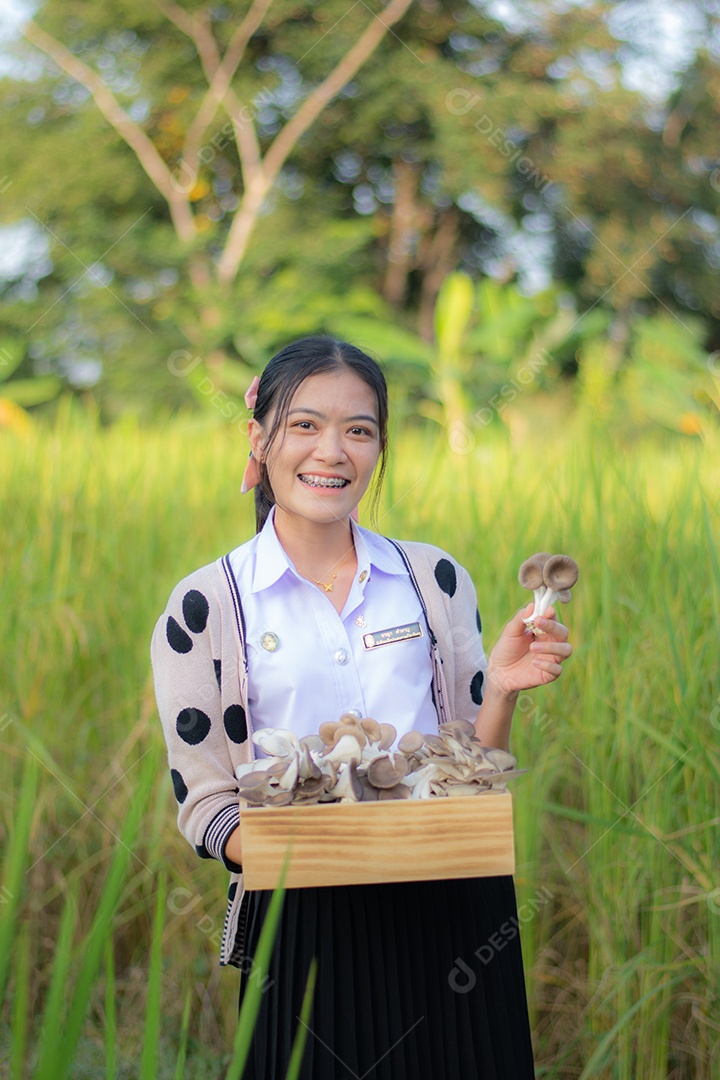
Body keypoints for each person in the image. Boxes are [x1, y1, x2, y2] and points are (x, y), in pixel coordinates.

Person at [151, 335, 573, 1079]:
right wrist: (330, 851)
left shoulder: (434, 578)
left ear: (379, 447)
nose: (332, 451)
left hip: (454, 906)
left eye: (359, 429)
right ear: (258, 439)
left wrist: (503, 688)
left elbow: (472, 765)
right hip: (303, 926)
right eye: (305, 424)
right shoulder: (206, 606)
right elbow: (207, 806)